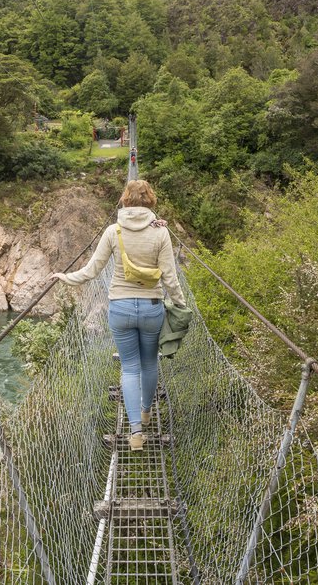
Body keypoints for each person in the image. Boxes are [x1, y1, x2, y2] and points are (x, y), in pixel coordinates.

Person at [52, 180, 186, 452]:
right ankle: (147, 413)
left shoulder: (113, 232)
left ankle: (135, 432)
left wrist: (64, 277)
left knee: (129, 367)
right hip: (152, 306)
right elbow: (170, 278)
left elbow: (91, 271)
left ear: (125, 200)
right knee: (149, 363)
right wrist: (181, 305)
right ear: (151, 201)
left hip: (120, 308)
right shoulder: (161, 232)